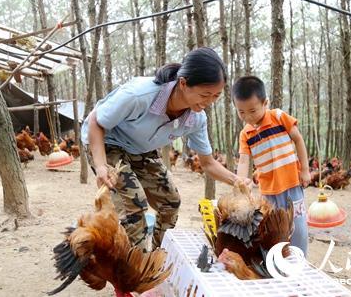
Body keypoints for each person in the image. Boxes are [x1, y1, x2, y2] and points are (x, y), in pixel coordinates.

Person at [81, 47, 248, 250]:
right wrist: (100, 166)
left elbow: (208, 163)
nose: (209, 102)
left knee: (171, 201)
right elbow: (95, 121)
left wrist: (236, 180)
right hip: (107, 142)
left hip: (141, 149)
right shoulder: (139, 95)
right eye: (205, 94)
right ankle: (135, 269)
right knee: (134, 206)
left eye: (216, 96)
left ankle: (158, 257)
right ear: (183, 83)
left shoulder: (197, 118)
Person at [232, 76, 311, 256]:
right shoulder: (246, 134)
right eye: (241, 112)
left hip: (292, 185)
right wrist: (242, 181)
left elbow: (298, 139)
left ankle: (300, 261)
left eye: (252, 110)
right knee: (272, 228)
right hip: (268, 192)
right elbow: (244, 160)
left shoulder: (278, 117)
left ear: (265, 103)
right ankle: (275, 262)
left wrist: (305, 170)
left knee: (297, 226)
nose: (248, 117)